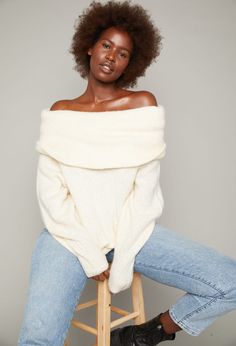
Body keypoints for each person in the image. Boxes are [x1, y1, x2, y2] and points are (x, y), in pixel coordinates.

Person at [17, 1, 236, 345]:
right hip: (68, 235)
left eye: (122, 53)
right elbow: (51, 196)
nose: (110, 57)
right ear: (89, 45)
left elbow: (144, 195)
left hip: (134, 232)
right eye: (106, 45)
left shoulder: (143, 107)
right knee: (37, 338)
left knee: (228, 280)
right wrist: (90, 253)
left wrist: (124, 257)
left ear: (130, 63)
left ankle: (150, 333)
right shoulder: (60, 114)